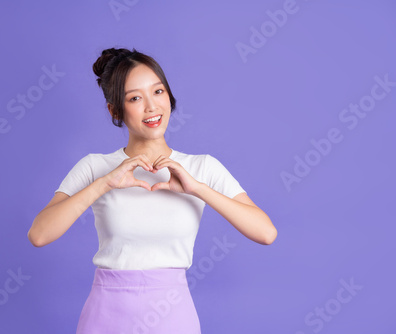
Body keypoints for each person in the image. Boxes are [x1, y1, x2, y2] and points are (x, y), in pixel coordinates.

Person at [27, 47, 277, 333]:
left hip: (173, 317)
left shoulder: (201, 167)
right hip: (105, 316)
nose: (151, 107)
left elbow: (266, 232)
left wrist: (197, 189)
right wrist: (105, 183)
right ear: (115, 111)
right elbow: (39, 234)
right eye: (135, 98)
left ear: (169, 96)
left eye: (158, 92)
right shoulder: (97, 166)